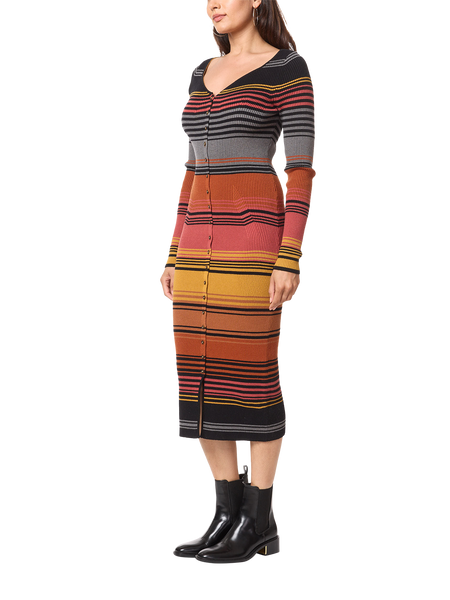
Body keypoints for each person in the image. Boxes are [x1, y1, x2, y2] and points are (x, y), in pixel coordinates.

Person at [158, 0, 318, 566]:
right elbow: (189, 170)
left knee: (252, 378)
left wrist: (289, 257)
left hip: (252, 249)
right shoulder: (200, 71)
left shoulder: (289, 70)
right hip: (195, 253)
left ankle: (259, 519)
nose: (214, 5)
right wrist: (172, 253)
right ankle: (224, 512)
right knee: (198, 378)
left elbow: (300, 171)